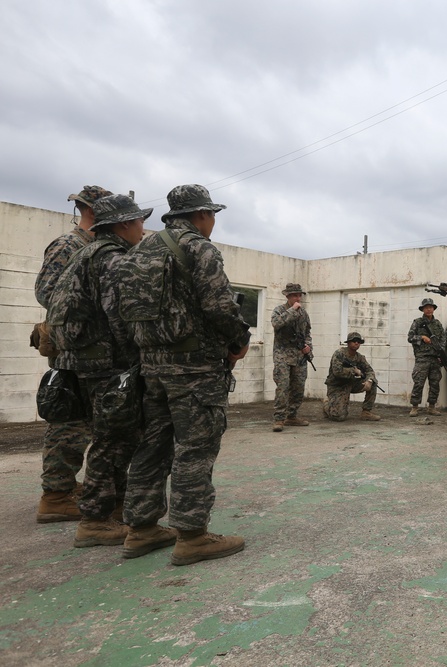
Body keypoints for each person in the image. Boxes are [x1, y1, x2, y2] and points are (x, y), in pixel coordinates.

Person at [118, 184, 251, 565]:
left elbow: (121, 311)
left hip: (152, 366)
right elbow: (219, 305)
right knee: (195, 448)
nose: (212, 223)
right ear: (201, 215)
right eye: (211, 215)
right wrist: (239, 338)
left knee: (153, 445)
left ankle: (140, 530)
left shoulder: (139, 249)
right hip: (195, 369)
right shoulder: (199, 247)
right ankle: (192, 536)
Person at [47, 194, 150, 547]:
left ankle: (115, 509)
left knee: (113, 436)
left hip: (80, 361)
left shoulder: (85, 253)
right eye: (139, 221)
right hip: (105, 364)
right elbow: (120, 318)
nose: (142, 227)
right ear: (123, 224)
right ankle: (95, 519)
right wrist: (138, 361)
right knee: (114, 440)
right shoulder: (113, 259)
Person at [32, 185, 111, 523]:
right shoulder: (70, 244)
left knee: (87, 423)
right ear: (92, 210)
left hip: (90, 348)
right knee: (70, 422)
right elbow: (47, 292)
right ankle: (56, 496)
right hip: (73, 347)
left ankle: (64, 487)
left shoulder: (94, 246)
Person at [271, 282, 312, 432]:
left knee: (298, 388)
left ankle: (291, 416)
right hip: (282, 355)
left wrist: (308, 347)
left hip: (299, 356)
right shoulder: (279, 310)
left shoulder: (304, 313)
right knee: (283, 387)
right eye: (295, 295)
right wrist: (292, 310)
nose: (298, 298)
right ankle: (279, 419)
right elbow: (276, 324)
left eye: (299, 295)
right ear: (287, 296)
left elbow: (307, 333)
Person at [323, 332, 381, 422]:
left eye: (358, 341)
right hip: (337, 386)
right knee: (338, 417)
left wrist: (369, 381)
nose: (356, 343)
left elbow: (369, 370)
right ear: (348, 343)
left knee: (373, 383)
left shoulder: (360, 357)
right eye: (354, 341)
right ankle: (327, 405)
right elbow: (337, 372)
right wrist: (354, 371)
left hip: (352, 383)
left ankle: (366, 412)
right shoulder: (339, 354)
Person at [407, 297, 445, 417]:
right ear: (423, 309)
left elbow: (443, 340)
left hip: (435, 358)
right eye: (426, 308)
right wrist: (422, 337)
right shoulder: (417, 322)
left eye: (430, 307)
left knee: (435, 383)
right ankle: (414, 407)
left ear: (433, 309)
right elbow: (410, 337)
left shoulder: (438, 324)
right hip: (422, 358)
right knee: (419, 382)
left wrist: (441, 354)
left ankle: (431, 407)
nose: (429, 309)